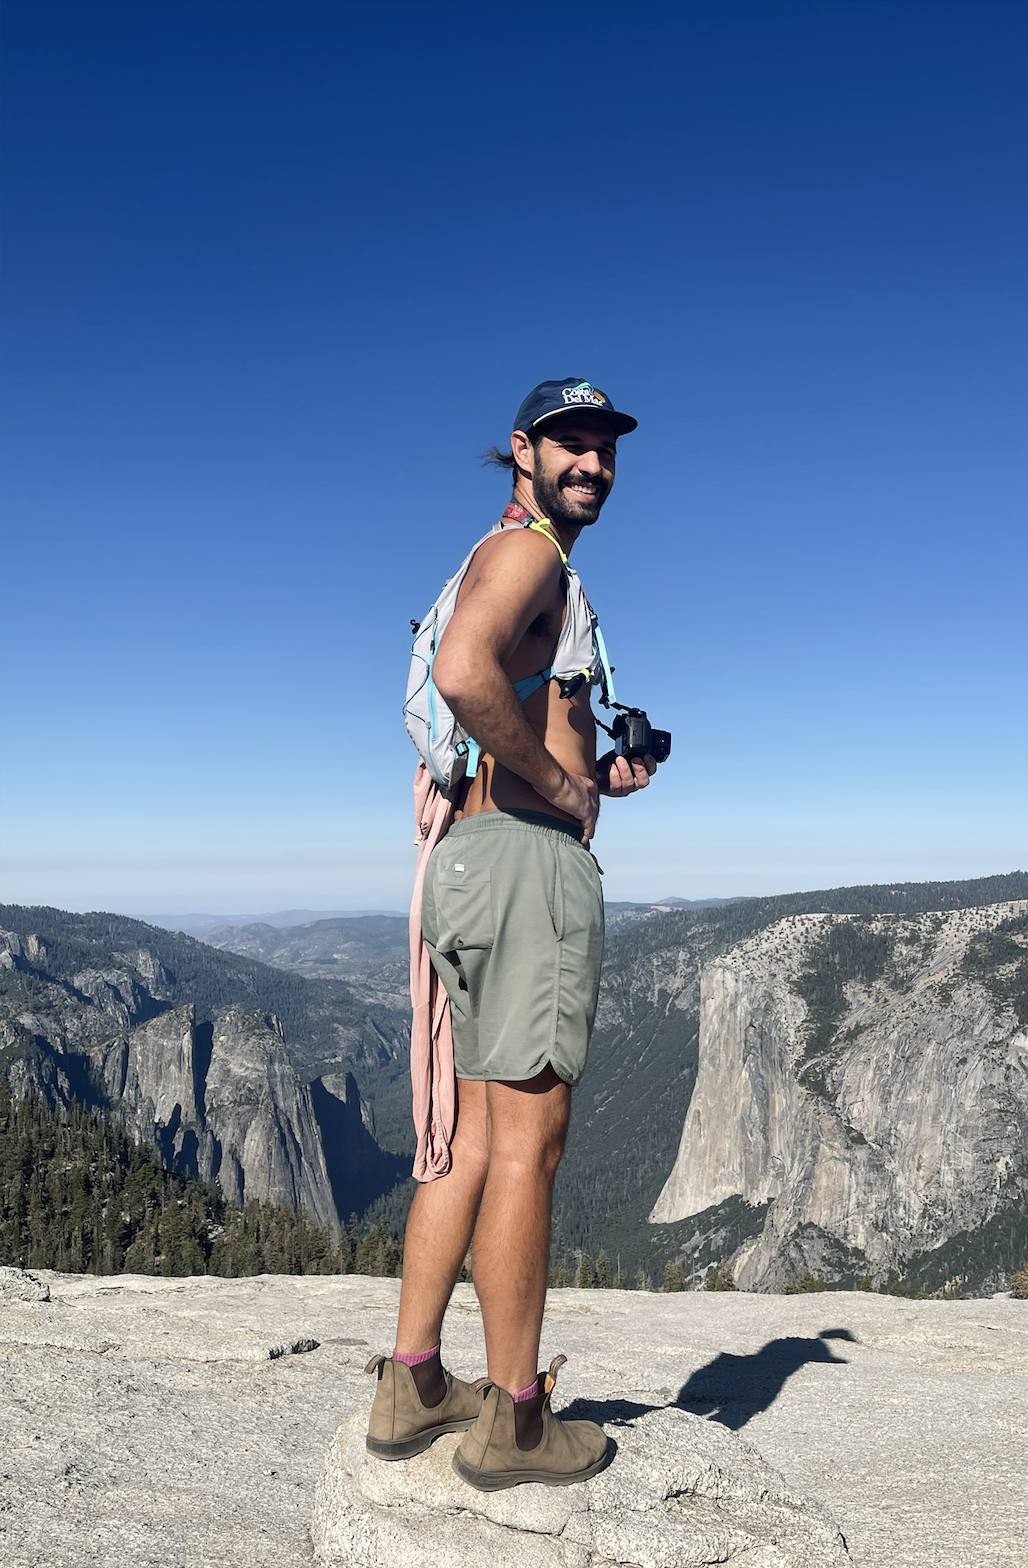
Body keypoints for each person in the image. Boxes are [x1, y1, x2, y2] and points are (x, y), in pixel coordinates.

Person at [365, 379, 657, 1490]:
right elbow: (463, 672)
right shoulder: (531, 554)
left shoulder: (495, 554)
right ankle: (517, 1419)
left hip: (472, 863)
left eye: (607, 445)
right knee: (528, 1149)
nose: (594, 460)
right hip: (523, 868)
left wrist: (592, 774)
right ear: (523, 451)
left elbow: (502, 699)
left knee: (476, 1140)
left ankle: (414, 1379)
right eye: (571, 442)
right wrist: (559, 787)